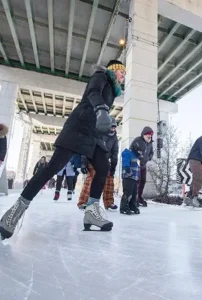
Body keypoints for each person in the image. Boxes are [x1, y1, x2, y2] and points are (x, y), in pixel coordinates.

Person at [0, 59, 126, 240]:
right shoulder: (101, 76)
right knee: (53, 166)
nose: (124, 75)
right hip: (78, 127)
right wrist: (100, 108)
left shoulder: (113, 90)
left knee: (103, 168)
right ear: (114, 70)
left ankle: (91, 211)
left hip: (94, 134)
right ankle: (15, 211)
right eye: (122, 71)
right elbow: (93, 92)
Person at [77, 118, 119, 210]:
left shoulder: (114, 138)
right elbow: (87, 147)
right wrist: (84, 163)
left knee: (109, 180)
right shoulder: (98, 133)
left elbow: (115, 152)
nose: (113, 129)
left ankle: (109, 203)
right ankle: (83, 202)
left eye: (114, 127)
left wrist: (113, 166)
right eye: (111, 127)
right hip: (93, 159)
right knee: (91, 180)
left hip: (104, 160)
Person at [130, 127, 154, 207]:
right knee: (136, 181)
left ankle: (139, 197)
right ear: (144, 134)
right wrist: (138, 155)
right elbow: (132, 149)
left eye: (151, 135)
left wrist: (149, 157)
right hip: (136, 164)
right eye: (148, 134)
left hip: (143, 164)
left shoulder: (150, 143)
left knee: (142, 181)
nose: (150, 136)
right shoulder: (138, 140)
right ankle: (134, 198)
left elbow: (151, 152)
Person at [120, 139, 144, 215]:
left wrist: (138, 176)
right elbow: (125, 160)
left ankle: (132, 205)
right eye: (139, 151)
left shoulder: (137, 158)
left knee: (134, 193)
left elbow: (137, 168)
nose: (140, 153)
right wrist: (127, 167)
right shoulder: (128, 153)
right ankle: (123, 207)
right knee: (128, 192)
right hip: (128, 176)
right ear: (135, 149)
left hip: (134, 178)